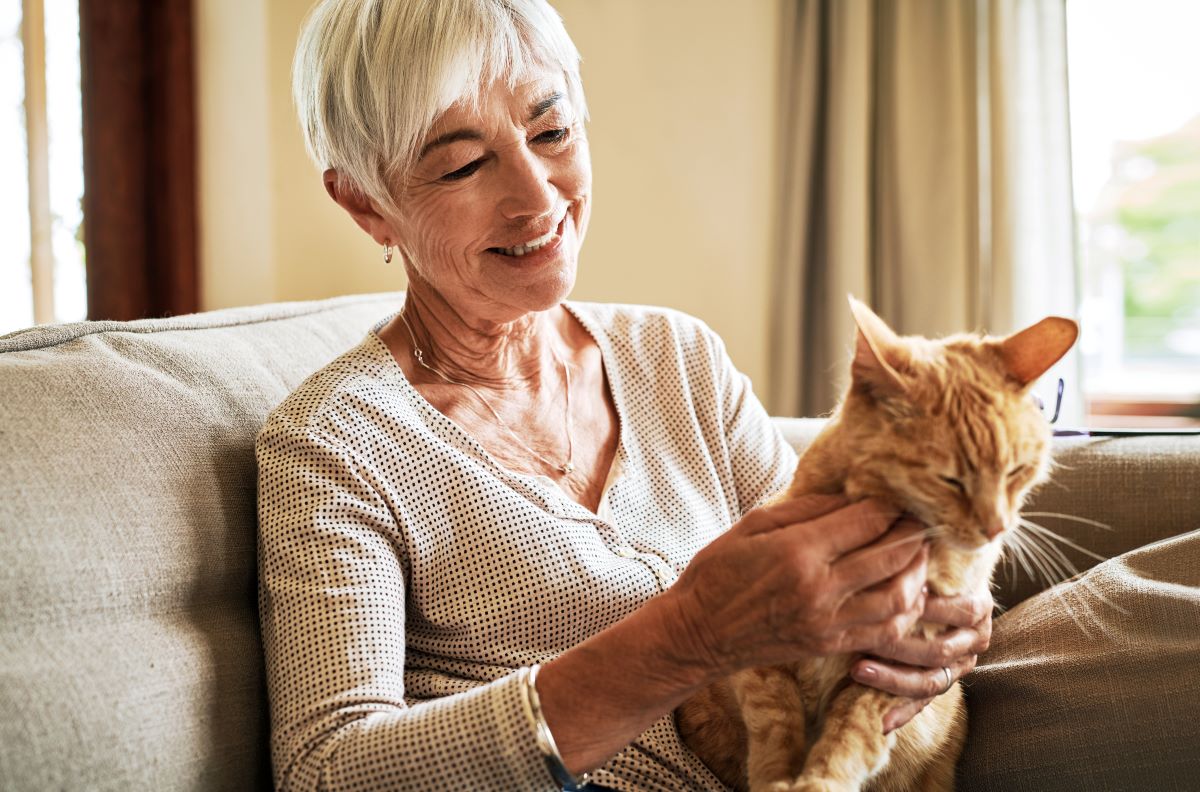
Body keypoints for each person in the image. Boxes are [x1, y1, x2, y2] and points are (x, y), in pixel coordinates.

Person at [256, 1, 992, 789]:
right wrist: (688, 637)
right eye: (465, 165)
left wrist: (929, 626)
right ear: (366, 203)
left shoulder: (676, 358)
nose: (538, 200)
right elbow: (326, 770)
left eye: (551, 133)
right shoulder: (333, 447)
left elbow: (832, 588)